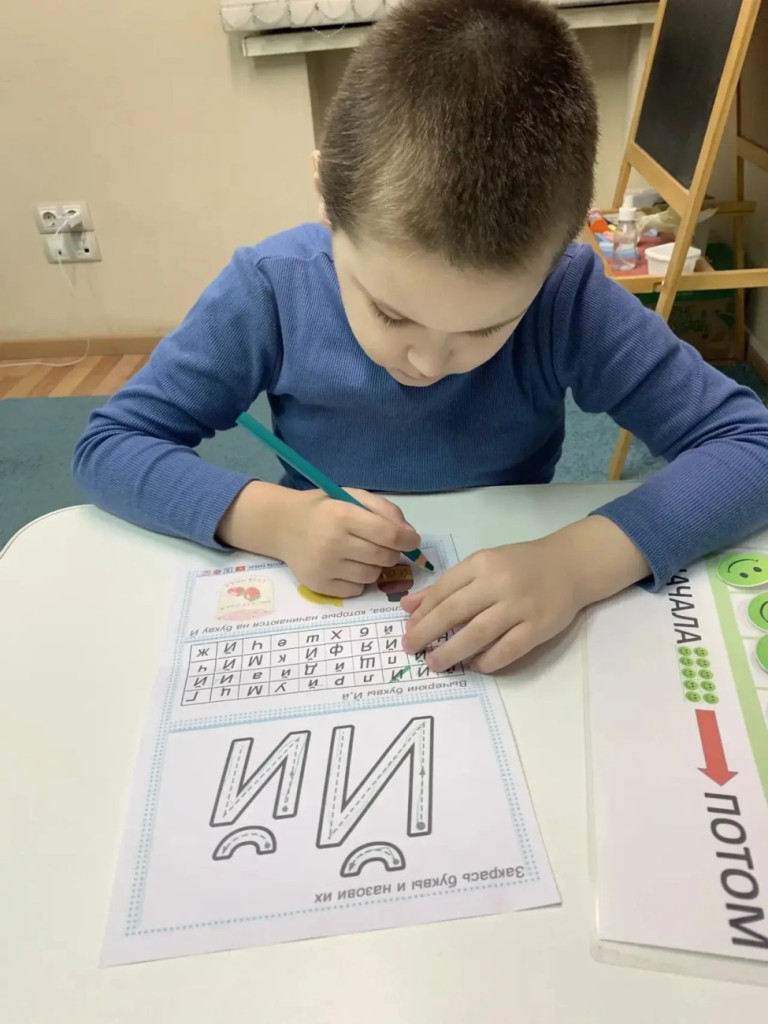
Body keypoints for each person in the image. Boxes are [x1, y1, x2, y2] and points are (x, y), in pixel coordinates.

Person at [72, 0, 768, 675]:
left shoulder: (566, 296)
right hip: (327, 588)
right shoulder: (270, 290)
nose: (429, 361)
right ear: (327, 197)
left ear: (562, 248)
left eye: (487, 327)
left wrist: (578, 562)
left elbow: (751, 446)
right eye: (390, 313)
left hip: (506, 582)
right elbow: (111, 446)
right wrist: (274, 521)